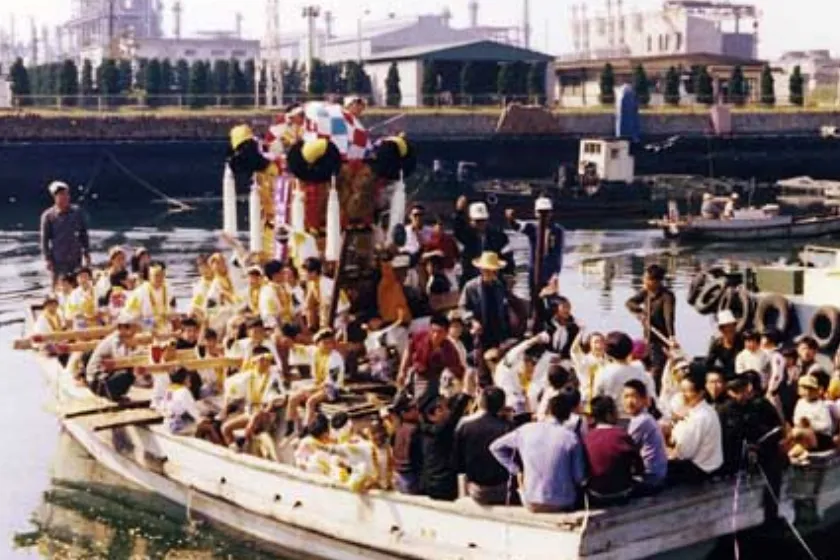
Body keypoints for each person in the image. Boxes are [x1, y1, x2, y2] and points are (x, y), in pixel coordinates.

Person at [490, 394, 585, 513]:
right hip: (563, 502)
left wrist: (516, 470)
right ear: (568, 415)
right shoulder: (571, 438)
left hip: (531, 501)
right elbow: (579, 477)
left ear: (548, 411)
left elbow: (495, 447)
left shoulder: (526, 430)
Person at [453, 386, 513, 505]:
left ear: (481, 402)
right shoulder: (507, 428)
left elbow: (457, 462)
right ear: (502, 405)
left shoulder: (466, 427)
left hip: (476, 489)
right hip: (502, 488)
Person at [418, 378, 474, 501]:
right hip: (443, 485)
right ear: (431, 415)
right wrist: (465, 395)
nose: (447, 411)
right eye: (441, 409)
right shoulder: (438, 432)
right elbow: (453, 417)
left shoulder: (424, 430)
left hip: (431, 485)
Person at [664, 373, 724, 484]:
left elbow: (683, 453)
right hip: (702, 464)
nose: (683, 395)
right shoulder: (702, 410)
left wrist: (665, 448)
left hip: (700, 468)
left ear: (700, 393)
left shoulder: (700, 416)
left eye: (688, 391)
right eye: (682, 390)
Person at [583, 396, 644, 503]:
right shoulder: (621, 435)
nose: (618, 414)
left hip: (596, 494)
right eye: (615, 410)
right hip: (622, 492)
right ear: (608, 415)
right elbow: (639, 466)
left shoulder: (587, 438)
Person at [286, 328, 346, 435]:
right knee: (293, 398)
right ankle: (289, 427)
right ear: (318, 343)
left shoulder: (335, 358)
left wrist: (311, 389)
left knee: (311, 401)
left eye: (330, 343)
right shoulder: (315, 351)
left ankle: (307, 428)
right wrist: (289, 342)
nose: (328, 345)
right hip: (317, 385)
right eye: (325, 343)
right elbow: (300, 349)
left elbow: (330, 382)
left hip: (332, 389)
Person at [626, 264, 676, 382]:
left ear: (656, 281)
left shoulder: (667, 296)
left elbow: (668, 317)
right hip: (647, 338)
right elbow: (630, 303)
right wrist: (641, 312)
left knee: (657, 371)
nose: (643, 281)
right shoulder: (646, 292)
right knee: (643, 367)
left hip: (661, 340)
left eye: (646, 278)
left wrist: (671, 337)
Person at [397, 314, 464, 400]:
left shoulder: (449, 350)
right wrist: (402, 371)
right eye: (433, 331)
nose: (435, 335)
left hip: (435, 380)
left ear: (446, 333)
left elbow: (457, 370)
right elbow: (408, 350)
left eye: (440, 332)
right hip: (414, 373)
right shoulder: (420, 337)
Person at [505, 197, 565, 288]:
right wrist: (511, 219)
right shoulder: (532, 228)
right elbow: (517, 226)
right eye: (540, 212)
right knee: (534, 293)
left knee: (549, 295)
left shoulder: (557, 231)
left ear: (551, 213)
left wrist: (556, 274)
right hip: (534, 273)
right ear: (536, 213)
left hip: (550, 273)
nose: (543, 215)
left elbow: (558, 253)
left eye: (546, 212)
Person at [594, 331, 656, 417]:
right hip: (638, 419)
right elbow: (650, 399)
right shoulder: (641, 372)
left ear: (608, 352)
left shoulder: (603, 373)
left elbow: (597, 400)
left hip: (613, 419)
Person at [40, 181, 90, 286]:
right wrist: (47, 259)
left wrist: (86, 252)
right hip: (58, 259)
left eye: (67, 194)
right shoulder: (48, 216)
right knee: (58, 286)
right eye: (62, 195)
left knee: (76, 284)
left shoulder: (77, 212)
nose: (65, 197)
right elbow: (44, 240)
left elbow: (83, 233)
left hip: (75, 256)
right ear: (55, 197)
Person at [459, 251, 512, 351]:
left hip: (497, 333)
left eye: (492, 270)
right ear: (481, 270)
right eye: (486, 270)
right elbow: (462, 308)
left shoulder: (499, 286)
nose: (489, 273)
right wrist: (472, 321)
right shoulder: (471, 287)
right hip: (479, 334)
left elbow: (503, 309)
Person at [453, 198, 513, 284]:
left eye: (483, 220)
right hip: (470, 278)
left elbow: (507, 257)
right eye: (477, 221)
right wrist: (459, 211)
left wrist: (509, 274)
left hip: (494, 279)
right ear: (470, 221)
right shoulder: (465, 236)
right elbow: (457, 228)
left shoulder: (499, 236)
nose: (481, 223)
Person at [623, 379, 668, 491]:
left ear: (643, 399)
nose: (629, 401)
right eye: (626, 397)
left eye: (634, 396)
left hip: (650, 478)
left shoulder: (642, 420)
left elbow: (625, 448)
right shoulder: (644, 417)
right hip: (656, 473)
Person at [492, 333, 550, 418]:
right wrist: (536, 338)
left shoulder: (510, 367)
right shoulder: (506, 363)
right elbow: (520, 349)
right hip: (511, 401)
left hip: (516, 400)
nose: (521, 355)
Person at [85, 315, 142, 401]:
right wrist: (132, 348)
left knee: (131, 371)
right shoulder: (114, 340)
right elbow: (120, 361)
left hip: (104, 376)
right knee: (128, 373)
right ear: (121, 328)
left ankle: (116, 394)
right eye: (130, 327)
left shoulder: (124, 339)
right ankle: (113, 395)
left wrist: (134, 349)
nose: (134, 331)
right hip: (97, 381)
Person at [790, 374, 834, 458]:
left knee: (803, 433)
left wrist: (811, 424)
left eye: (811, 389)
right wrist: (800, 422)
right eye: (805, 388)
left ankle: (806, 450)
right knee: (794, 432)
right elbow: (796, 418)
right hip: (803, 432)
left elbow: (827, 425)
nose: (808, 392)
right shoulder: (800, 403)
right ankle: (799, 449)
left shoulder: (820, 405)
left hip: (820, 436)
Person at [124, 263, 174, 331]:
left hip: (165, 329)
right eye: (156, 275)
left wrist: (170, 314)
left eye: (162, 275)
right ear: (149, 276)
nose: (159, 278)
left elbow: (171, 309)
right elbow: (129, 317)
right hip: (145, 330)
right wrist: (151, 321)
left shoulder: (168, 289)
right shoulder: (139, 292)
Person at [392, 395, 424, 495]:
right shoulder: (414, 430)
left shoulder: (398, 429)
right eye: (413, 408)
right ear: (404, 413)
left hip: (401, 475)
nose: (417, 411)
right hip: (412, 476)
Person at [570, 328, 608, 406]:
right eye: (596, 342)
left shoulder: (609, 361)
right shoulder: (584, 360)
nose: (599, 345)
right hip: (587, 398)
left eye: (602, 341)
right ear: (590, 344)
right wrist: (581, 332)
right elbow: (574, 351)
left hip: (604, 399)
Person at [704, 310, 744, 379]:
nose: (729, 329)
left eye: (731, 327)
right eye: (726, 327)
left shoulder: (742, 340)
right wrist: (720, 372)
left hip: (742, 375)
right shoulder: (717, 344)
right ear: (721, 329)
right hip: (726, 376)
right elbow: (708, 363)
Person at [259, 259, 298, 329]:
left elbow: (296, 307)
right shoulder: (267, 291)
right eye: (282, 272)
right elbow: (270, 315)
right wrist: (278, 331)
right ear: (275, 275)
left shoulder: (286, 286)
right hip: (279, 327)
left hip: (292, 324)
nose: (285, 275)